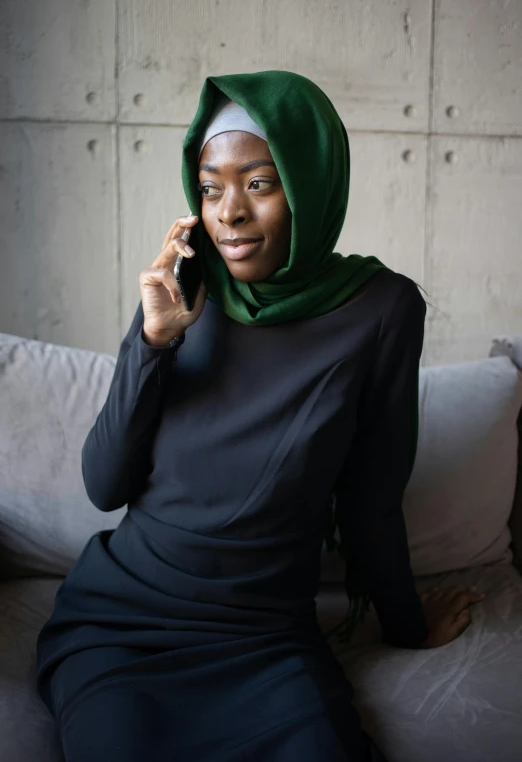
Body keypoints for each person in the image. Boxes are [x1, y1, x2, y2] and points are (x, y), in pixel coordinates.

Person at [35, 70, 486, 761]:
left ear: (310, 182)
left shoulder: (381, 309)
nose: (229, 214)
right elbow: (104, 484)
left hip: (263, 638)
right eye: (211, 187)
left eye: (260, 183)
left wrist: (405, 624)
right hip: (123, 627)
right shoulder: (183, 285)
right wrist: (151, 342)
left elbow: (371, 501)